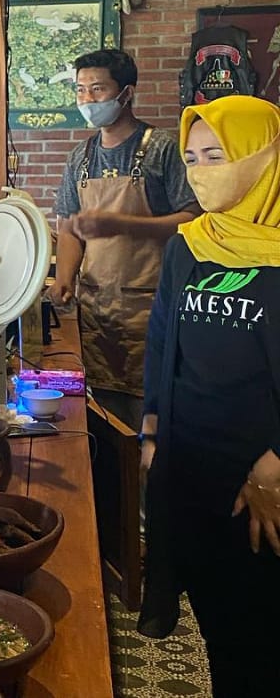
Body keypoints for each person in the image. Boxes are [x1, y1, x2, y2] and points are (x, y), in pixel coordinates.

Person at [139, 95, 280, 696]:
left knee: (263, 626)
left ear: (264, 155)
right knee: (221, 621)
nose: (200, 172)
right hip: (192, 465)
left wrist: (274, 465)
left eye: (216, 156)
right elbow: (161, 339)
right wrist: (151, 431)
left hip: (263, 475)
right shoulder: (190, 244)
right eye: (192, 158)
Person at [48, 48, 198, 431]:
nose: (87, 99)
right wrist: (64, 279)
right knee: (103, 419)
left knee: (152, 416)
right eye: (80, 90)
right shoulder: (80, 157)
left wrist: (125, 225)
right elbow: (69, 227)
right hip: (96, 308)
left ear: (126, 93)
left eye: (97, 89)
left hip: (151, 305)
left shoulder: (162, 148)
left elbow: (193, 219)